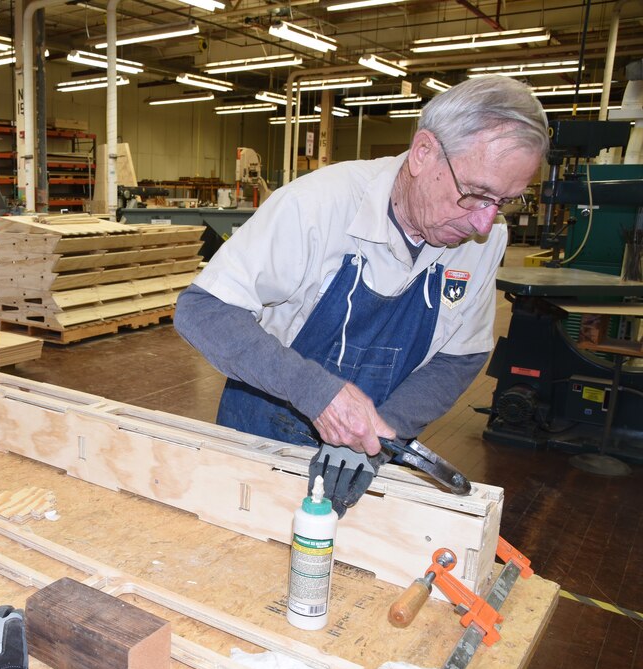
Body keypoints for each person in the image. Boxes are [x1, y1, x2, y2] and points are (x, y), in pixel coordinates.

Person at [174, 75, 548, 516]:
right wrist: (317, 392)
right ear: (424, 153)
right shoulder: (317, 206)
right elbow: (202, 310)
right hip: (265, 426)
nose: (484, 223)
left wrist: (386, 432)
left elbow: (461, 355)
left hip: (367, 454)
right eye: (476, 194)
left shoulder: (485, 238)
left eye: (504, 202)